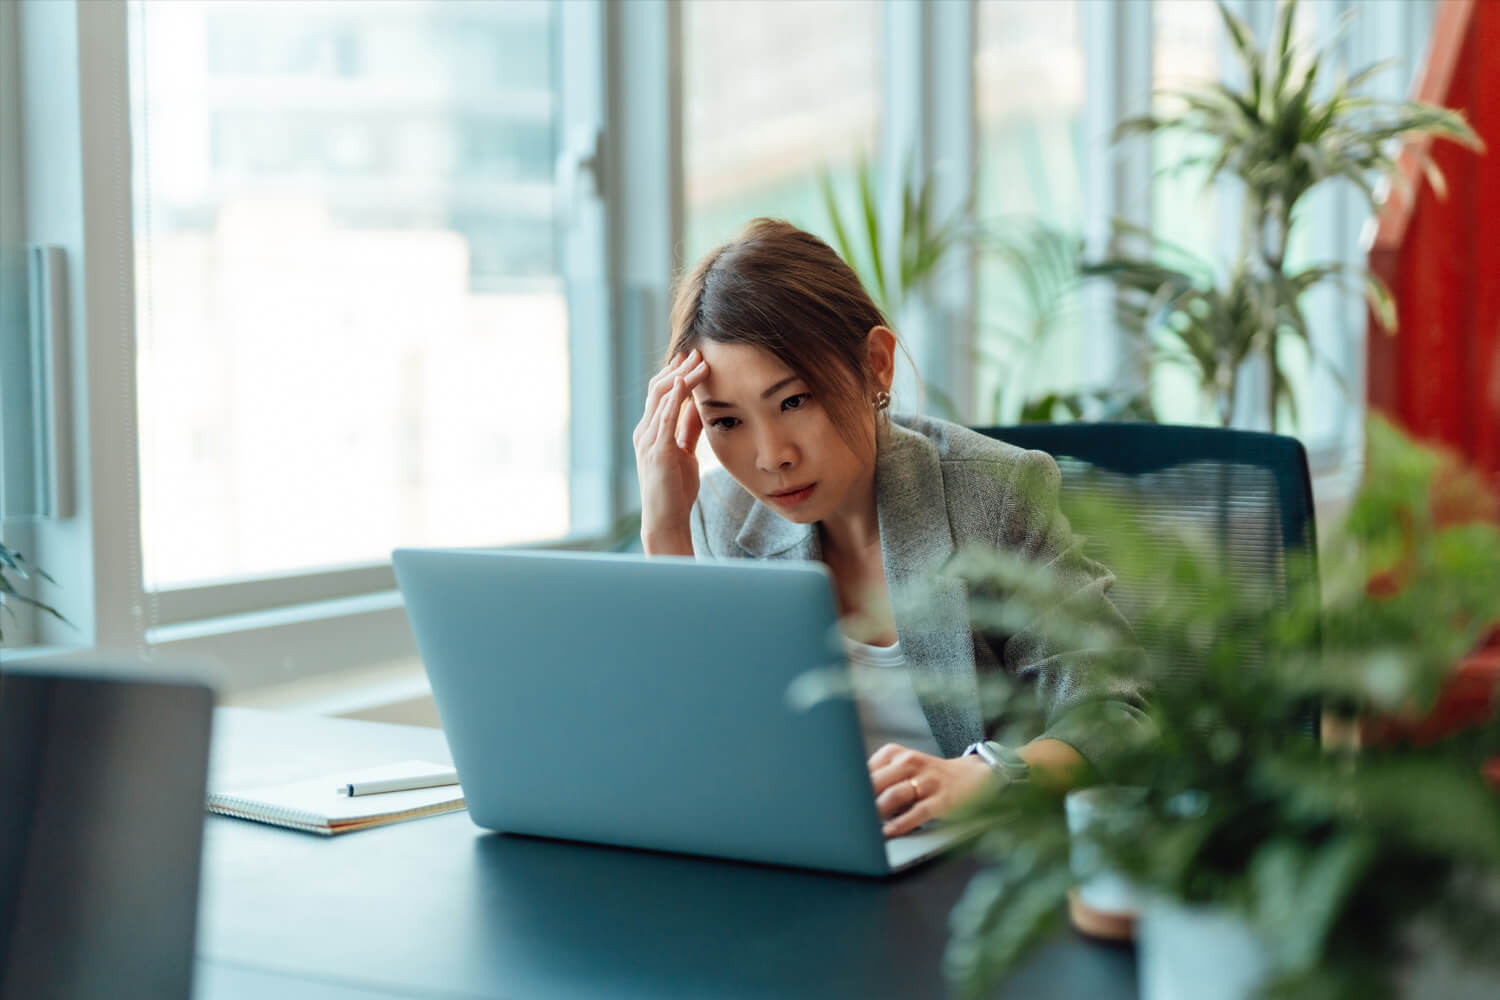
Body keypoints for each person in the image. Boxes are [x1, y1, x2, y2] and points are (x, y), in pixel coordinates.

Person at [633, 218, 1147, 838]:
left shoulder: (994, 492)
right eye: (727, 421)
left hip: (983, 873)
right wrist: (664, 530)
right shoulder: (719, 515)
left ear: (876, 365)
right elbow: (694, 750)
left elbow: (1117, 716)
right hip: (805, 865)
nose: (771, 457)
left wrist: (984, 777)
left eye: (794, 401)